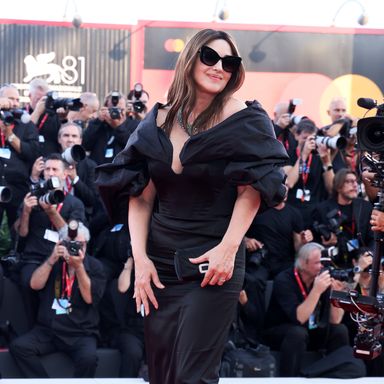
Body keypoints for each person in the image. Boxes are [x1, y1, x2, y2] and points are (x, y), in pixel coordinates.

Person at [96, 28, 288, 384]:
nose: (219, 68)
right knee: (163, 374)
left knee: (191, 376)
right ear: (190, 59)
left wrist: (229, 250)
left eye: (229, 62)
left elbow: (254, 189)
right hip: (160, 265)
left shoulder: (244, 118)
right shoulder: (158, 120)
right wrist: (140, 260)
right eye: (210, 57)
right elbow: (141, 197)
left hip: (214, 262)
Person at [9, 222, 106, 378]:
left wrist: (79, 267)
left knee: (89, 359)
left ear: (86, 245)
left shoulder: (95, 267)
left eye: (79, 244)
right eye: (69, 244)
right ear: (60, 244)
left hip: (80, 332)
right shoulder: (55, 262)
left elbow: (89, 298)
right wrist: (51, 259)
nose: (74, 248)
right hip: (49, 330)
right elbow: (34, 284)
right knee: (19, 347)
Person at [263, 242, 350, 377]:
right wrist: (316, 291)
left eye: (324, 263)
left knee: (340, 330)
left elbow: (335, 320)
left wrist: (335, 296)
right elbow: (299, 318)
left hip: (312, 330)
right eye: (318, 263)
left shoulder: (323, 278)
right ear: (303, 263)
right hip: (282, 331)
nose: (322, 267)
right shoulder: (284, 280)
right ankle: (290, 379)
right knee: (297, 333)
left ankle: (337, 375)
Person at [313, 168, 374, 268]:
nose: (354, 185)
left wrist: (369, 255)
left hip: (362, 260)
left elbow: (373, 238)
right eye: (348, 181)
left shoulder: (365, 207)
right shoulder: (322, 210)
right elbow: (316, 241)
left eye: (355, 181)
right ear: (338, 186)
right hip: (335, 262)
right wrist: (326, 242)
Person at [0, 84, 40, 231]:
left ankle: (15, 254)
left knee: (18, 229)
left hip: (17, 187)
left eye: (17, 99)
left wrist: (9, 135)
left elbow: (32, 153)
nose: (15, 103)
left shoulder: (25, 123)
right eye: (10, 99)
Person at [82, 91, 139, 165]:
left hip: (123, 171)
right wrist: (97, 122)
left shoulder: (134, 125)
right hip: (99, 170)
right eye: (113, 109)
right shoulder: (98, 123)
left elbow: (134, 148)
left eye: (120, 109)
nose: (116, 113)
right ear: (105, 108)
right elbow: (85, 145)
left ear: (126, 109)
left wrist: (118, 127)